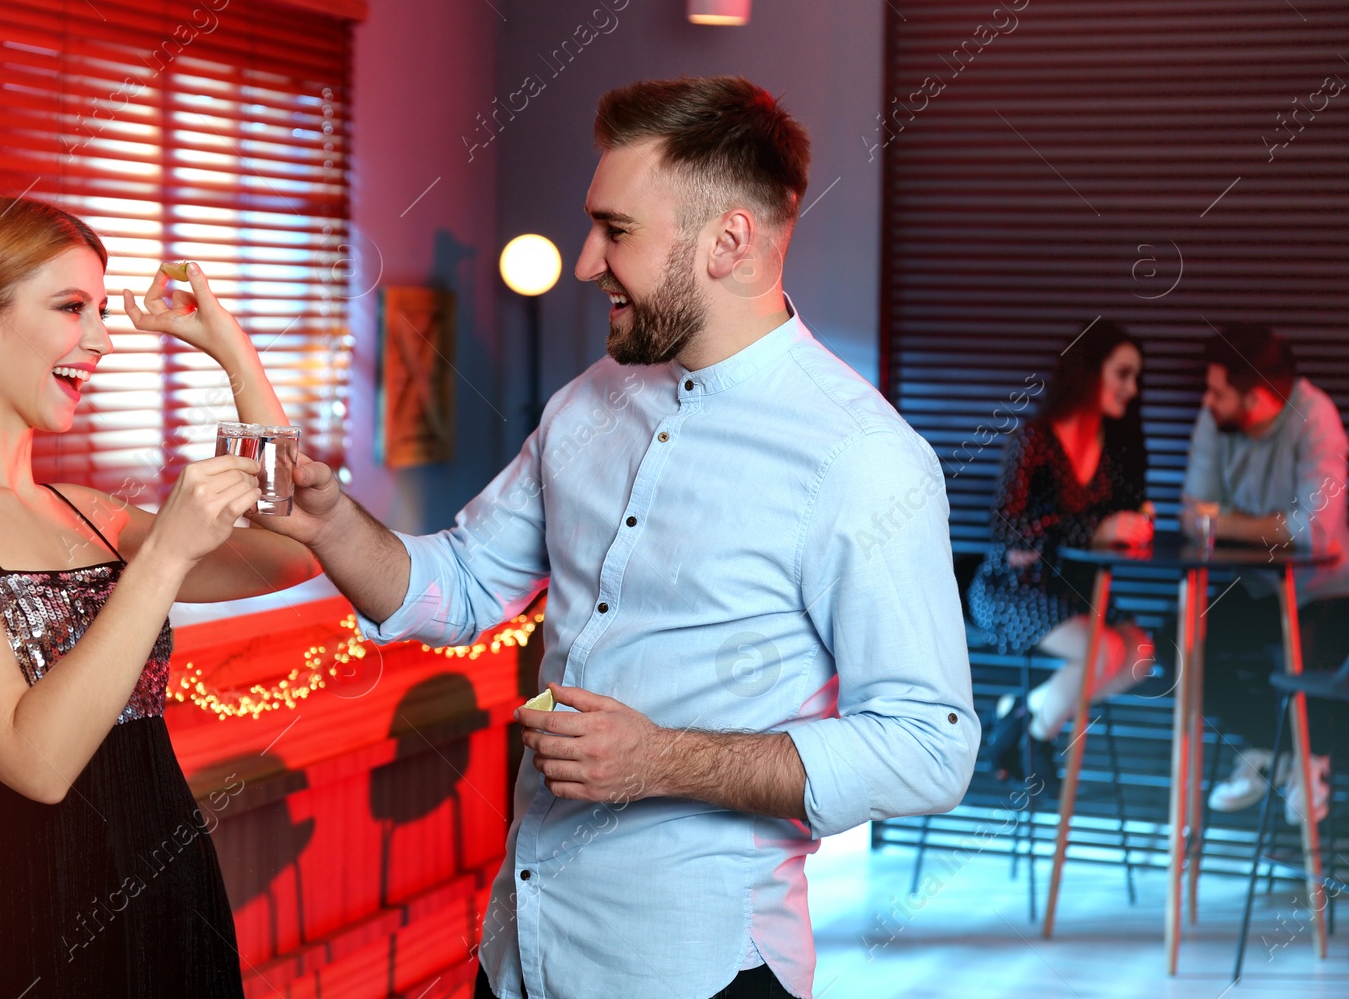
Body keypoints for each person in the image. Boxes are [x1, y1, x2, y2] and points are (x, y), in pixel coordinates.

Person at [248, 76, 978, 999]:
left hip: (699, 971)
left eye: (616, 229)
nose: (586, 260)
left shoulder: (865, 460)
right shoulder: (584, 403)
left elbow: (928, 745)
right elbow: (464, 587)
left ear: (729, 242)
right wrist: (329, 523)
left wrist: (662, 757)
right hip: (519, 959)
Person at [0, 196, 320, 997]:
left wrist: (235, 357)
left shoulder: (84, 510)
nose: (100, 341)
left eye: (100, 310)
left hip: (171, 892)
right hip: (27, 918)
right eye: (73, 307)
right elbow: (35, 763)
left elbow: (295, 545)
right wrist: (165, 552)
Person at [968, 320, 1157, 788]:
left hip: (1072, 587)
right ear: (1090, 374)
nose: (1133, 389)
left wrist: (1132, 523)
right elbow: (1008, 532)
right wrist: (1092, 529)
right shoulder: (1035, 439)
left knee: (1141, 653)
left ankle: (1022, 714)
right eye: (1123, 374)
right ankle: (1039, 736)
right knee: (1105, 651)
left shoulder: (1115, 448)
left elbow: (1106, 526)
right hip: (1010, 590)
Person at [1184, 324, 1349, 825]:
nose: (1206, 401)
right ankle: (1267, 750)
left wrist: (1224, 521)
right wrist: (1266, 526)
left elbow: (1316, 533)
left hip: (1323, 592)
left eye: (1217, 392)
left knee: (1307, 666)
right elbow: (1190, 515)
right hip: (1250, 587)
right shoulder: (1217, 419)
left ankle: (1311, 765)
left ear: (1254, 398)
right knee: (1175, 653)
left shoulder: (1313, 417)